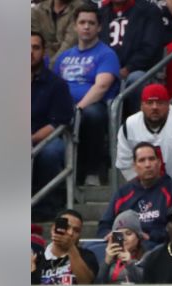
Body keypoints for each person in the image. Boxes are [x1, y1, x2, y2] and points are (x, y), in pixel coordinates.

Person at [52, 7, 121, 184]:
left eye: (91, 23)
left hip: (92, 104)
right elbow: (52, 86)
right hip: (63, 106)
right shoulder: (64, 57)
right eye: (82, 22)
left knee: (92, 114)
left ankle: (92, 171)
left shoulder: (106, 54)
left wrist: (79, 107)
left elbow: (102, 86)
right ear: (75, 26)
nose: (86, 27)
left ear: (99, 28)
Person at [115, 83, 172, 189]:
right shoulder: (129, 125)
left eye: (160, 102)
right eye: (149, 103)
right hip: (146, 191)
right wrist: (142, 188)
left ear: (168, 104)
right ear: (141, 106)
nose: (154, 107)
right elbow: (124, 163)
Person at [100, 142, 172, 240]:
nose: (147, 165)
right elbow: (104, 228)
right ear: (134, 166)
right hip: (127, 248)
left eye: (151, 159)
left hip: (161, 247)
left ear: (159, 163)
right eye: (142, 160)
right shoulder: (122, 194)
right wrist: (120, 238)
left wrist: (150, 237)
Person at [32, 31, 76, 218]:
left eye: (35, 48)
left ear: (44, 52)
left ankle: (47, 206)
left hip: (46, 138)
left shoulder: (56, 84)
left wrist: (32, 139)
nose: (30, 52)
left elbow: (58, 121)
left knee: (50, 152)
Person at [99, 0, 155, 118]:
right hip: (106, 71)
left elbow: (150, 47)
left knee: (136, 79)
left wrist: (128, 68)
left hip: (136, 70)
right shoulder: (101, 13)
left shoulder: (148, 10)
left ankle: (137, 127)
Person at [33, 210, 99, 285]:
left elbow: (85, 283)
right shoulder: (38, 258)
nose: (70, 233)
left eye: (76, 230)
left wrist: (70, 247)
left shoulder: (87, 255)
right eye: (67, 227)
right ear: (53, 229)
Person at [96, 211, 151, 284]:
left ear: (138, 237)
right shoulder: (108, 257)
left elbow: (148, 282)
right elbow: (97, 285)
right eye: (119, 235)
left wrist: (130, 263)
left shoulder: (148, 257)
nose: (124, 238)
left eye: (128, 233)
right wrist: (107, 262)